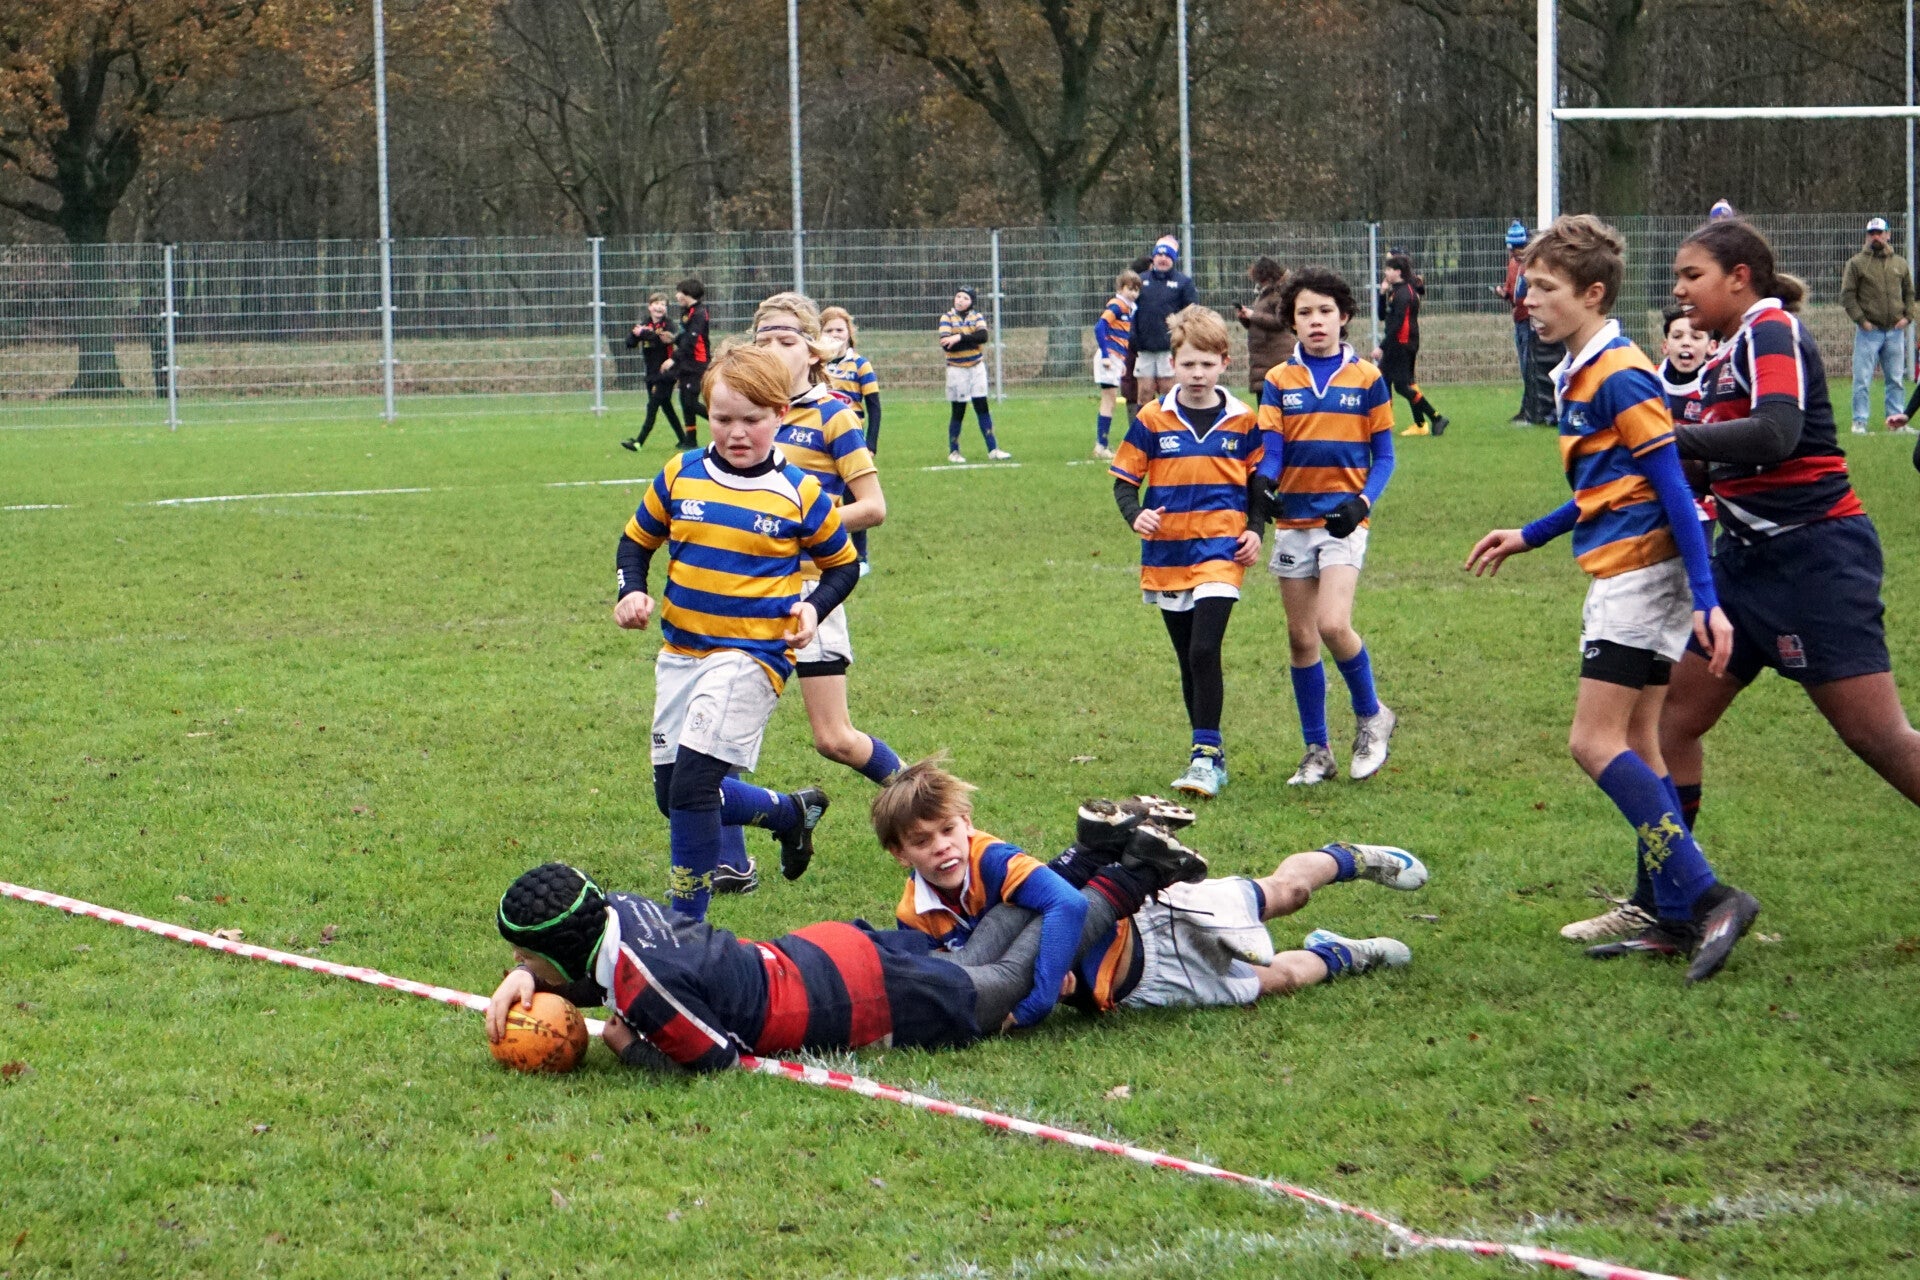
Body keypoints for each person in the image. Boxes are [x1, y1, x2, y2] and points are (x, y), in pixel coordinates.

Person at [1465, 214, 1759, 986]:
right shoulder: (1585, 368)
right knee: (1641, 742)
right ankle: (1668, 910)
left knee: (1593, 743)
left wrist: (1706, 597)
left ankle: (1708, 896)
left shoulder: (1620, 374)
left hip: (1638, 574)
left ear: (1592, 294)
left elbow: (1672, 484)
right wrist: (1529, 534)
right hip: (1642, 570)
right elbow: (1610, 486)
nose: (1529, 300)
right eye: (1528, 286)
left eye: (1545, 288)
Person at [485, 824, 1209, 1070]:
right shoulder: (621, 909)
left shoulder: (645, 987)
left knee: (1001, 983)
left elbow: (713, 1060)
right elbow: (596, 967)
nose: (521, 966)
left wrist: (625, 1045)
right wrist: (534, 983)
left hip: (852, 1000)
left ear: (565, 948)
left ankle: (1134, 874)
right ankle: (1089, 856)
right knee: (971, 960)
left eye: (526, 957)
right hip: (824, 952)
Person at [1651, 217, 1920, 861]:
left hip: (1813, 560)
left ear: (1739, 277)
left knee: (1879, 738)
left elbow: (1777, 433)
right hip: (1742, 567)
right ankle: (1672, 896)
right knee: (1668, 726)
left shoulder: (1771, 329)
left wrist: (1660, 438)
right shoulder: (1721, 355)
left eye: (1693, 275)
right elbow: (1711, 466)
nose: (1680, 290)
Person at [880, 763, 1424, 1020]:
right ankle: (1348, 953)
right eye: (922, 842)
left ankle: (1350, 858)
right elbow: (975, 977)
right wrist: (1059, 989)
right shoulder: (914, 915)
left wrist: (1040, 996)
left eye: (948, 831)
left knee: (1285, 893)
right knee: (1276, 979)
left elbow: (1066, 910)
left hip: (1145, 915)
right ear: (900, 854)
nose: (942, 848)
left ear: (968, 823)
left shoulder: (992, 857)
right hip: (1138, 982)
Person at [614, 343, 853, 920]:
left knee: (694, 786)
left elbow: (842, 565)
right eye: (723, 419)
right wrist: (631, 590)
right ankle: (789, 813)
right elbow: (636, 542)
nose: (737, 432)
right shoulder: (681, 473)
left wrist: (814, 608)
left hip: (753, 656)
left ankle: (685, 925)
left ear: (780, 414)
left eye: (752, 419)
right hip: (681, 652)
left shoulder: (801, 493)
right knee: (672, 796)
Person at [754, 294, 906, 808]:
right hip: (744, 587)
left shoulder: (834, 416)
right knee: (718, 741)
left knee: (834, 739)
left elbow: (873, 507)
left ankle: (925, 800)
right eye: (763, 341)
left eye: (786, 340)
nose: (773, 350)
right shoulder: (748, 413)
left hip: (810, 590)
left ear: (813, 351)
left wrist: (804, 524)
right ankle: (755, 841)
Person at [1109, 306, 1265, 798]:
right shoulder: (1152, 418)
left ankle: (1204, 758)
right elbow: (1125, 481)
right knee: (1187, 659)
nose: (1198, 374)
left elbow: (1258, 483)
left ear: (1224, 363)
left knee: (1204, 649)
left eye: (1207, 364)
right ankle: (1208, 750)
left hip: (1221, 550)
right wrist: (1136, 514)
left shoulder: (1243, 419)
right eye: (1189, 364)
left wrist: (1256, 529)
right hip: (1168, 555)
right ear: (1173, 364)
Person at [1255, 268, 1399, 789]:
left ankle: (1372, 716)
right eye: (1305, 313)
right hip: (1293, 522)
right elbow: (1272, 451)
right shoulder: (1278, 380)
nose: (1316, 321)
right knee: (1301, 639)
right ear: (1291, 322)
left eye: (1325, 311)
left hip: (1342, 522)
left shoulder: (1367, 377)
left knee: (1333, 625)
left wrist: (1361, 503)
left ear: (1345, 316)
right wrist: (1265, 482)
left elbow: (1385, 456)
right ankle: (1318, 751)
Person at [821, 305, 883, 571]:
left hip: (851, 441)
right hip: (822, 440)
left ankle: (861, 557)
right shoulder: (817, 364)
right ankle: (828, 553)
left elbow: (874, 406)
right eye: (829, 330)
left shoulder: (860, 364)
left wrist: (871, 444)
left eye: (839, 329)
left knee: (855, 499)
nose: (835, 334)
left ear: (849, 333)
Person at [1840, 216, 1914, 434]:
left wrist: (1908, 317)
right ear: (1867, 236)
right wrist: (1861, 320)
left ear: (1888, 235)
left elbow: (1909, 293)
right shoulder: (1856, 263)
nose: (1875, 237)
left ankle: (1896, 423)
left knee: (1895, 379)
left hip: (1895, 331)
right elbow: (1847, 296)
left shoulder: (1899, 263)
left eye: (1879, 233)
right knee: (1862, 379)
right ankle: (1859, 423)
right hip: (1868, 332)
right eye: (1871, 233)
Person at [1372, 255, 1448, 437]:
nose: (1385, 272)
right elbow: (1382, 316)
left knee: (1400, 386)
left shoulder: (1405, 294)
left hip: (1402, 345)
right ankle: (1392, 423)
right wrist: (1382, 294)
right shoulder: (1396, 291)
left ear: (1397, 272)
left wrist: (1381, 347)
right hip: (1398, 343)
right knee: (1386, 381)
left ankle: (1436, 417)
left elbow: (1398, 324)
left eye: (1388, 269)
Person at [939, 287, 1008, 462]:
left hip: (977, 368)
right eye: (958, 296)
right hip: (957, 369)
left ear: (971, 302)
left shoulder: (976, 317)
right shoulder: (947, 318)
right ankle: (954, 452)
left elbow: (983, 336)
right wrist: (970, 339)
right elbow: (947, 345)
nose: (960, 300)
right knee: (959, 410)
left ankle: (993, 449)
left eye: (965, 298)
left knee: (982, 407)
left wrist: (959, 337)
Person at [1130, 236, 1198, 407]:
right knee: (1144, 393)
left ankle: (1168, 421)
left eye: (1167, 256)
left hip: (1169, 347)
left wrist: (1178, 320)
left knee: (1168, 391)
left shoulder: (1183, 282)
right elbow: (1130, 308)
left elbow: (1193, 309)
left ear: (1173, 259)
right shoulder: (1140, 280)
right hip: (1144, 348)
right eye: (1159, 255)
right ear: (1153, 258)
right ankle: (1144, 423)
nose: (1163, 259)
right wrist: (1132, 338)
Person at [619, 294, 686, 451]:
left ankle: (638, 442)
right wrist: (635, 334)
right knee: (667, 407)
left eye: (663, 304)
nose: (659, 307)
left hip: (665, 374)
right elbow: (630, 342)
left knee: (652, 407)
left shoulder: (669, 325)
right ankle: (684, 439)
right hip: (651, 374)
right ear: (650, 307)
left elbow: (663, 339)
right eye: (656, 303)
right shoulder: (645, 323)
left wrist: (644, 333)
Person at [1091, 270, 1141, 460]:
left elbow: (1122, 336)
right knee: (1109, 401)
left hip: (1116, 358)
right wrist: (1106, 355)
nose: (1133, 293)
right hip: (1109, 358)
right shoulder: (1117, 305)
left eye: (1136, 290)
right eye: (1130, 289)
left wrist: (1121, 360)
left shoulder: (1129, 308)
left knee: (1110, 401)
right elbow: (1100, 326)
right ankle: (1101, 445)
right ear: (1120, 289)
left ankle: (1102, 444)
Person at [1235, 256, 1293, 397]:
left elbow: (1281, 321)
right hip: (1263, 359)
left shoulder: (1279, 295)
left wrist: (1253, 315)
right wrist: (1245, 318)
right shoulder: (1264, 295)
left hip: (1276, 356)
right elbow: (1260, 323)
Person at [664, 278, 711, 441]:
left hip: (698, 363)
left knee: (691, 402)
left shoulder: (700, 313)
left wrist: (673, 359)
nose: (676, 296)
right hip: (687, 362)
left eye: (679, 292)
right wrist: (673, 339)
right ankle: (690, 439)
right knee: (685, 401)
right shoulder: (687, 312)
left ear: (687, 294)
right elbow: (684, 336)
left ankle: (722, 420)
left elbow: (692, 340)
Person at [1495, 220, 1532, 423]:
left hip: (1530, 320)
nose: (1515, 252)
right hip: (1519, 319)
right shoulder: (1512, 264)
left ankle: (1530, 409)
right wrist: (1503, 293)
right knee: (1525, 366)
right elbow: (1511, 293)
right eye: (1512, 248)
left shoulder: (1533, 264)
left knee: (1530, 366)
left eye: (1518, 247)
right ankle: (1527, 408)